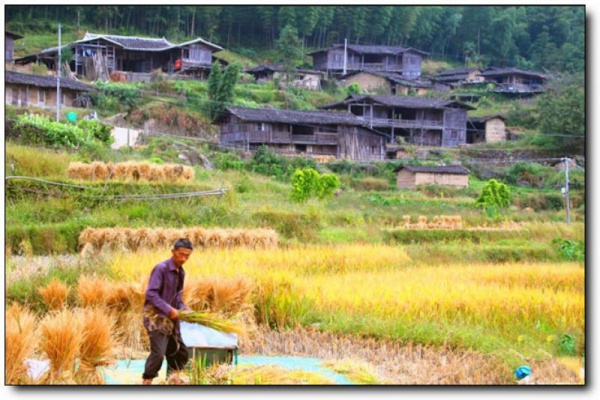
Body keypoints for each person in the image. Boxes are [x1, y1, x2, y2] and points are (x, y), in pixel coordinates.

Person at [142, 238, 193, 385]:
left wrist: (185, 310)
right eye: (181, 254)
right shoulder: (161, 268)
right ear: (173, 252)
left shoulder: (181, 273)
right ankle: (146, 382)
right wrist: (168, 309)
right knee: (158, 353)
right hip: (155, 318)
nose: (184, 258)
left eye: (187, 256)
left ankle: (173, 381)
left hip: (171, 320)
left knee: (180, 352)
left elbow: (178, 299)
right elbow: (151, 294)